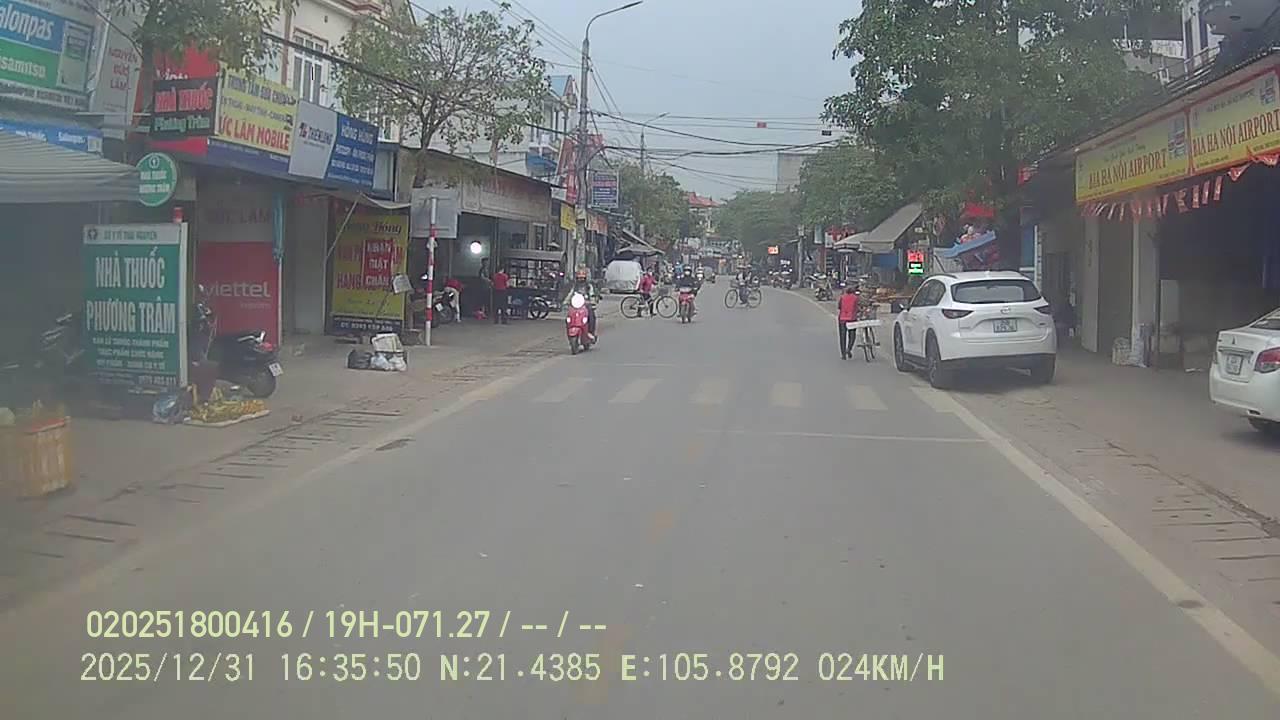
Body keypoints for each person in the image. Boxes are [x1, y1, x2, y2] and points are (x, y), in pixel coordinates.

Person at [837, 284, 860, 359]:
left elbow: (839, 307)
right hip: (852, 318)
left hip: (842, 319)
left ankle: (843, 354)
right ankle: (849, 348)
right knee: (852, 335)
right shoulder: (856, 298)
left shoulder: (842, 297)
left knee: (842, 336)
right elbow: (857, 307)